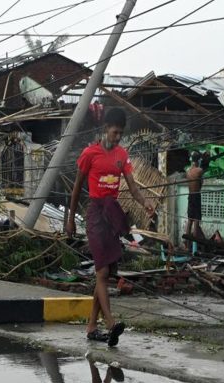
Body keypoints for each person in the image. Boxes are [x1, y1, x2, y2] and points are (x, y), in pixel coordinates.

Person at [66, 108, 154, 347]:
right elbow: (76, 189)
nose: (117, 137)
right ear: (105, 129)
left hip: (112, 214)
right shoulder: (89, 154)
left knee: (105, 273)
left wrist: (145, 202)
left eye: (120, 134)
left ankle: (92, 326)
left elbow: (133, 187)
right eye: (115, 132)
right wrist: (71, 219)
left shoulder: (122, 155)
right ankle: (110, 323)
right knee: (102, 272)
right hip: (95, 214)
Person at [185, 152, 205, 246]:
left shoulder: (188, 171)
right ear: (199, 160)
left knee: (189, 220)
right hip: (196, 196)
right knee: (196, 220)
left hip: (190, 196)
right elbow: (201, 184)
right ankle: (194, 246)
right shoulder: (200, 170)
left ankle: (186, 244)